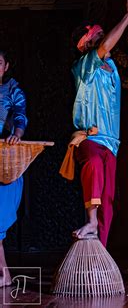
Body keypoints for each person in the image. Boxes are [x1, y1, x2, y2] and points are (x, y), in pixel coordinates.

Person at [69, 0, 128, 246]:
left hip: (112, 142)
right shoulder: (84, 65)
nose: (105, 40)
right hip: (90, 137)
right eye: (97, 38)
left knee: (108, 198)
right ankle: (90, 220)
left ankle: (102, 250)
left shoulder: (112, 68)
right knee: (94, 163)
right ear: (86, 46)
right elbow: (105, 46)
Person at [0, 50, 27, 287]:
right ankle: (4, 273)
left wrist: (16, 135)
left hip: (5, 159)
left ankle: (4, 272)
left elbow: (20, 115)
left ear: (6, 66)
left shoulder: (12, 91)